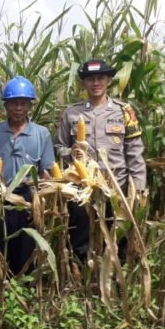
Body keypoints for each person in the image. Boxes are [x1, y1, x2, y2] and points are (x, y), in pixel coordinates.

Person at [55, 59, 146, 261]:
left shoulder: (124, 112)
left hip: (116, 187)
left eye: (100, 78)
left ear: (109, 80)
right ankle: (84, 283)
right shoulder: (71, 113)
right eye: (90, 79)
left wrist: (137, 188)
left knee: (117, 239)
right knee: (81, 239)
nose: (95, 83)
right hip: (82, 188)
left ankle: (115, 281)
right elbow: (58, 147)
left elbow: (135, 152)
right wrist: (70, 153)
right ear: (84, 83)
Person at [0, 76, 54, 276]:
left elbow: (46, 172)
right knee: (0, 244)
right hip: (1, 195)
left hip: (29, 198)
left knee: (26, 246)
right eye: (13, 103)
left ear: (30, 105)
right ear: (6, 105)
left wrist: (43, 204)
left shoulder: (42, 134)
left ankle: (25, 286)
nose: (18, 108)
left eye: (23, 103)